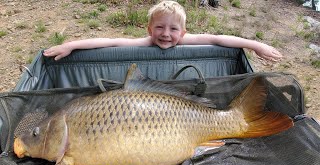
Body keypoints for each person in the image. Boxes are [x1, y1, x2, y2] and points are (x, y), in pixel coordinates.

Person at [43, 0, 282, 62]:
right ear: (149, 29)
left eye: (173, 29)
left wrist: (255, 45)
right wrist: (71, 45)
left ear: (183, 31)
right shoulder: (145, 42)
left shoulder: (188, 40)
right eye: (159, 27)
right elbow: (110, 41)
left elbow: (219, 38)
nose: (166, 34)